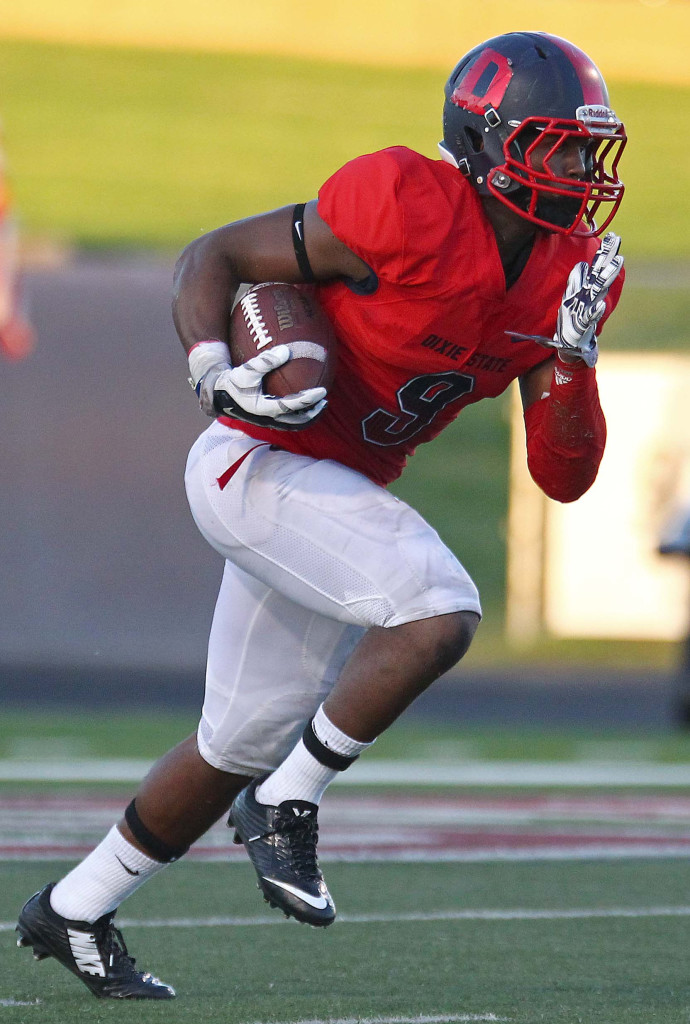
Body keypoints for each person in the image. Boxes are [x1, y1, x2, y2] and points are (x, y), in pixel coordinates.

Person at [16, 30, 626, 999]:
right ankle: (290, 799)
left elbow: (563, 478)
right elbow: (214, 254)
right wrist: (213, 371)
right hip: (252, 461)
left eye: (589, 151)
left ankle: (76, 907)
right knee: (439, 604)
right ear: (489, 143)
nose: (582, 173)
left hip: (332, 493)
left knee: (236, 739)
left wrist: (576, 360)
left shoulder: (569, 272)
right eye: (557, 147)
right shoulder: (404, 204)